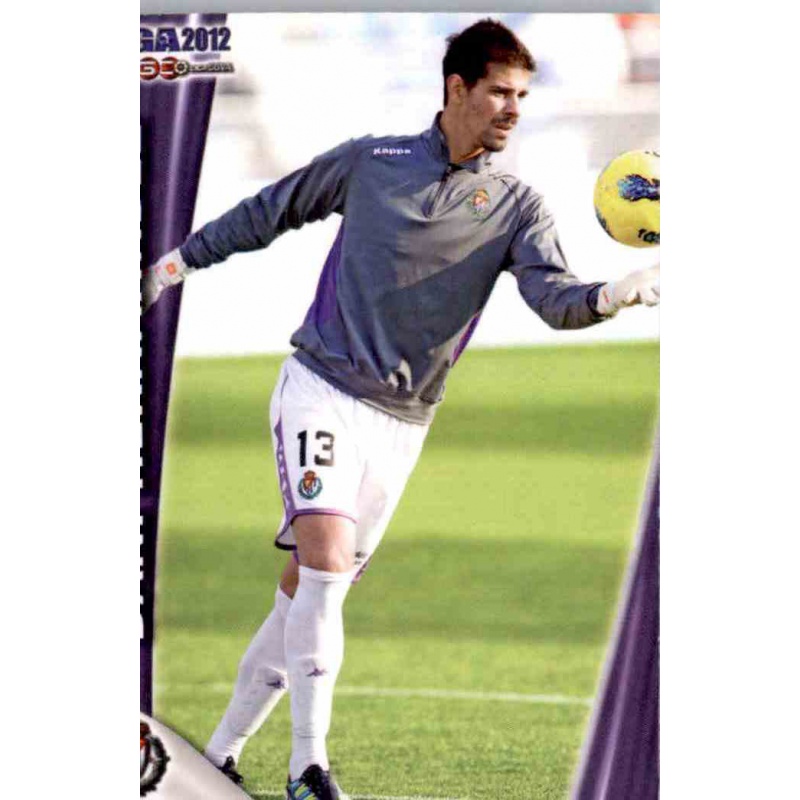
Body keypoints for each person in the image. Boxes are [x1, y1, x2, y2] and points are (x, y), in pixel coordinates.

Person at [142, 19, 659, 800]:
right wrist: (173, 265)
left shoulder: (516, 207)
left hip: (402, 424)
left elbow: (555, 301)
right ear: (457, 87)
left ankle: (218, 757)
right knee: (323, 566)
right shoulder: (372, 162)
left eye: (522, 96)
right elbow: (268, 211)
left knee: (305, 595)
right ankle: (308, 768)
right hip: (320, 388)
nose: (513, 109)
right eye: (499, 92)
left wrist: (613, 294)